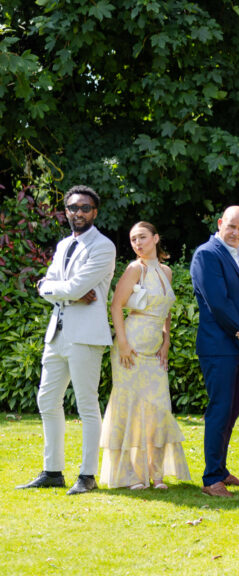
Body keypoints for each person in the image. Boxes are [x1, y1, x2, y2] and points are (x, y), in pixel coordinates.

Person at [18, 185, 116, 495]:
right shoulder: (63, 245)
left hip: (86, 336)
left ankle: (87, 476)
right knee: (47, 400)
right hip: (57, 334)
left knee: (87, 404)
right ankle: (52, 471)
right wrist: (56, 289)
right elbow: (51, 286)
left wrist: (58, 288)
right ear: (66, 211)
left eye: (85, 208)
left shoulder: (103, 246)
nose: (78, 213)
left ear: (94, 212)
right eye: (73, 208)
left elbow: (71, 287)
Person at [99, 222, 190, 489]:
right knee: (131, 407)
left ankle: (156, 473)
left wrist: (166, 340)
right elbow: (116, 306)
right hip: (132, 345)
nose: (137, 243)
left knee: (159, 408)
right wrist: (123, 343)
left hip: (154, 348)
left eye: (142, 237)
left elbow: (166, 311)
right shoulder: (134, 269)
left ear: (155, 238)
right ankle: (132, 475)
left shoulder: (166, 271)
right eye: (133, 239)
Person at [190, 206, 239, 497]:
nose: (236, 233)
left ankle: (220, 470)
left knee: (231, 412)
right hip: (218, 346)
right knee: (219, 410)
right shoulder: (207, 254)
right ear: (220, 223)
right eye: (231, 226)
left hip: (237, 346)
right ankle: (211, 480)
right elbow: (218, 303)